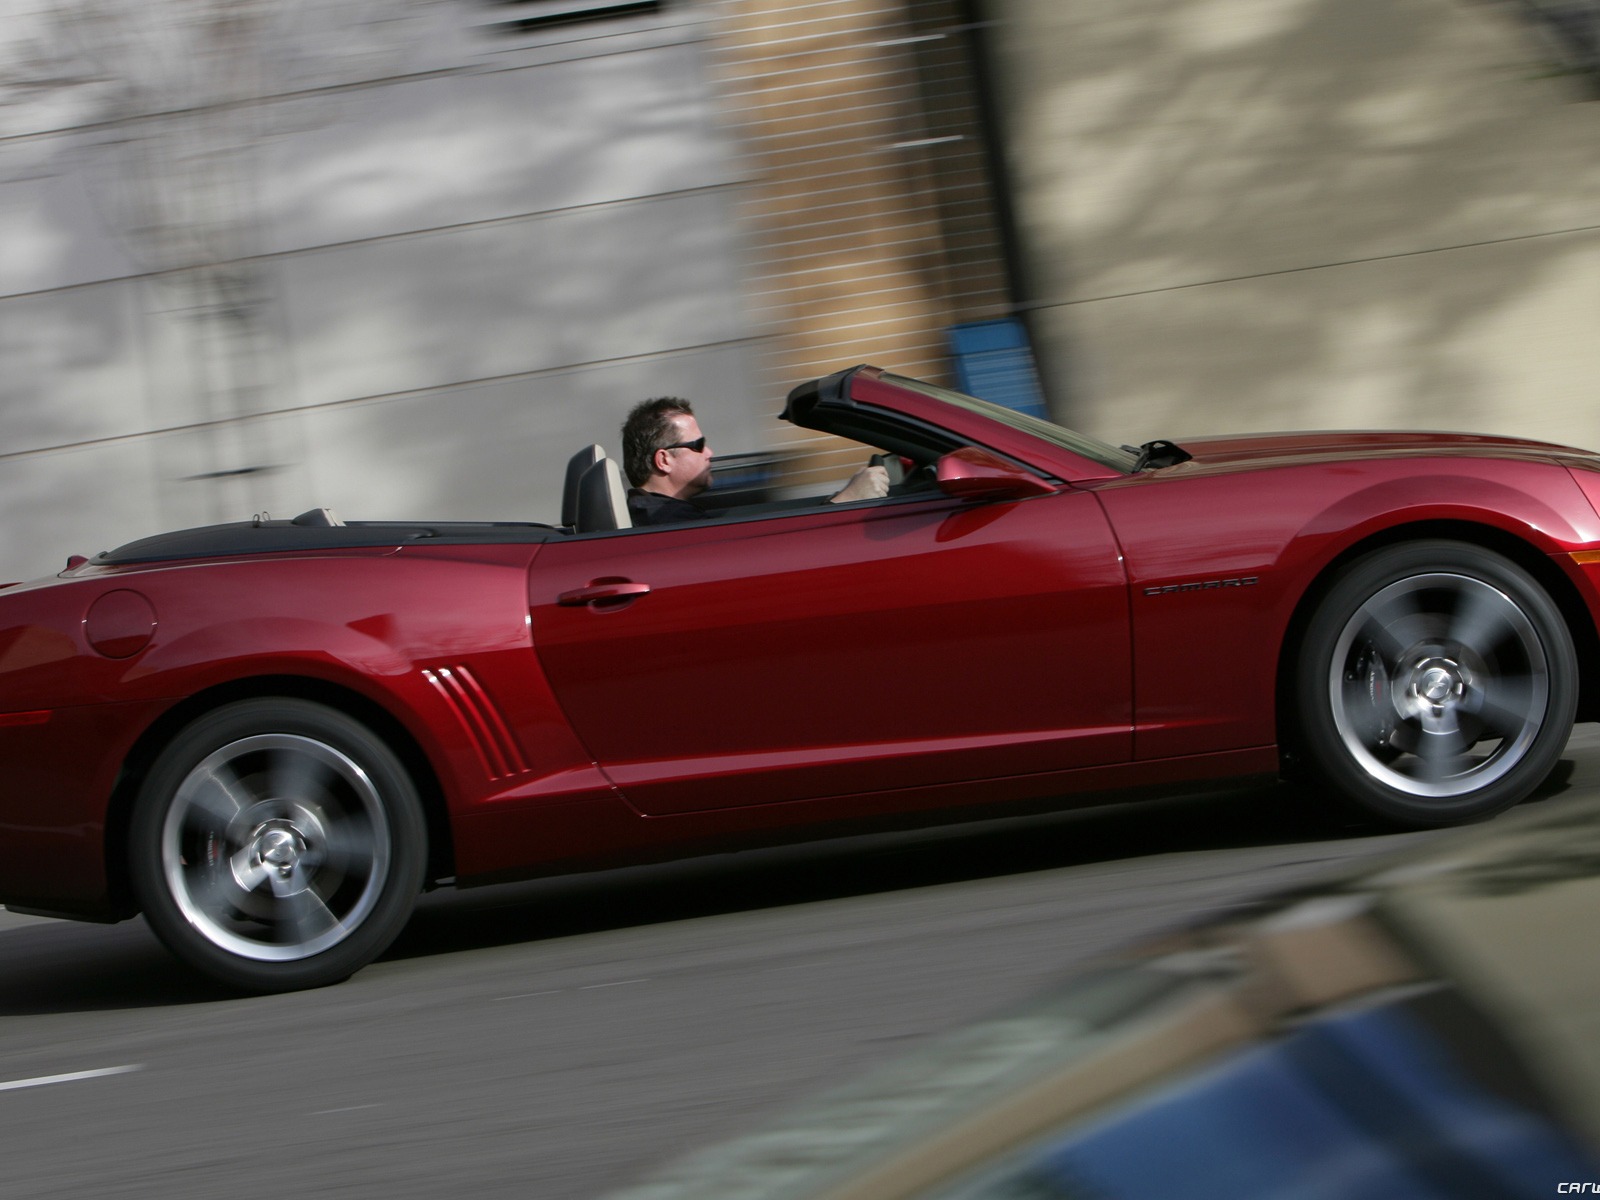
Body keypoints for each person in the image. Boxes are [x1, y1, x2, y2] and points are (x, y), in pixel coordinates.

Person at [621, 397, 889, 527]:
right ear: (664, 460)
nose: (710, 452)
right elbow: (764, 553)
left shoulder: (662, 513)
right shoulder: (669, 523)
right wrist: (845, 502)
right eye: (698, 445)